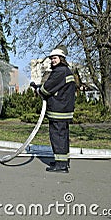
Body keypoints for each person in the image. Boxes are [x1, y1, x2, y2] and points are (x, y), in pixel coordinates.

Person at [35, 45, 76, 173]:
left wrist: (38, 89)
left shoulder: (59, 71)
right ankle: (63, 161)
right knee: (62, 137)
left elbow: (46, 89)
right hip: (64, 110)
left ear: (61, 58)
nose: (53, 60)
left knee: (57, 137)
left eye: (55, 58)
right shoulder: (65, 71)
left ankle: (61, 166)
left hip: (58, 111)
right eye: (52, 58)